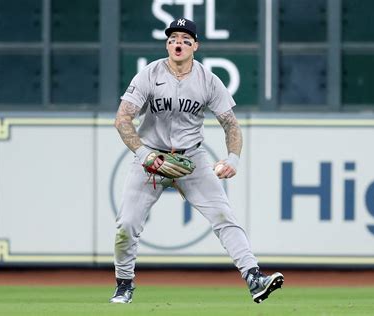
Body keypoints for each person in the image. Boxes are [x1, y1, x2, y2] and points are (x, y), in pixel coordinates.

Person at [110, 18, 284, 304]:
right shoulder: (149, 74)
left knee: (224, 217)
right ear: (167, 44)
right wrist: (145, 155)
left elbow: (231, 124)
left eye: (185, 39)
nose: (178, 43)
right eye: (173, 38)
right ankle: (123, 284)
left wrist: (233, 159)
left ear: (195, 46)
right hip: (151, 158)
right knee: (127, 224)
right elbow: (122, 119)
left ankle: (254, 277)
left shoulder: (208, 80)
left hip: (191, 158)